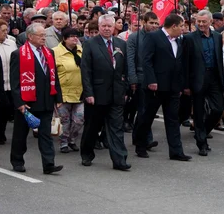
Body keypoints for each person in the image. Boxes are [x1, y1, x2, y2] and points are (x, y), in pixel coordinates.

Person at [135, 14, 192, 161]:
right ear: (173, 26)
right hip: (156, 87)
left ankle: (176, 151)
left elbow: (179, 64)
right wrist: (151, 80)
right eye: (181, 26)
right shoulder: (154, 37)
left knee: (173, 119)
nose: (183, 29)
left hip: (173, 88)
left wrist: (180, 86)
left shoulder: (178, 41)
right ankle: (140, 145)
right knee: (147, 117)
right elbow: (146, 60)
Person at [9, 24, 63, 174]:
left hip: (46, 100)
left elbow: (54, 76)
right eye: (41, 35)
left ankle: (49, 164)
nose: (44, 38)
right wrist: (19, 102)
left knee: (45, 135)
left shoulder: (49, 52)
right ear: (30, 36)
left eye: (45, 35)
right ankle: (17, 160)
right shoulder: (19, 54)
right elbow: (15, 82)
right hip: (27, 102)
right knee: (21, 134)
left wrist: (58, 96)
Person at [80, 14, 130, 170]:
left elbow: (126, 69)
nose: (107, 29)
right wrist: (88, 93)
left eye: (110, 26)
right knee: (92, 127)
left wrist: (126, 89)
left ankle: (119, 160)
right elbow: (86, 71)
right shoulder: (90, 44)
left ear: (114, 27)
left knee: (116, 128)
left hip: (116, 93)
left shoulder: (121, 44)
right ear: (99, 27)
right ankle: (87, 153)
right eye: (104, 26)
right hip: (97, 93)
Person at [183, 10, 224, 157]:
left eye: (203, 21)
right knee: (199, 113)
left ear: (210, 21)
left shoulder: (218, 37)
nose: (200, 24)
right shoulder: (189, 38)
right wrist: (186, 85)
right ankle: (202, 143)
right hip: (197, 79)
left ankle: (202, 133)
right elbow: (185, 63)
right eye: (198, 21)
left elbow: (219, 58)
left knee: (218, 109)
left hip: (214, 76)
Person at [126, 12, 159, 146]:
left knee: (148, 110)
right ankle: (145, 139)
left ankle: (138, 137)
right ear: (144, 22)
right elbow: (130, 60)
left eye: (156, 23)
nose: (153, 26)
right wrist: (133, 79)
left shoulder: (157, 37)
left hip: (153, 79)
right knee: (143, 110)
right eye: (151, 23)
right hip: (140, 78)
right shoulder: (134, 38)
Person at [52, 27, 84, 153]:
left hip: (80, 92)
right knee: (64, 120)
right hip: (63, 93)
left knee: (79, 119)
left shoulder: (81, 51)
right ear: (64, 39)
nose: (75, 38)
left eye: (76, 36)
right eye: (71, 36)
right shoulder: (55, 52)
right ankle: (64, 142)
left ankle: (72, 139)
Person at [0, 19, 17, 144]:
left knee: (6, 110)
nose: (5, 33)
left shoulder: (11, 43)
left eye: (6, 30)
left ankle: (1, 132)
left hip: (11, 82)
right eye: (2, 31)